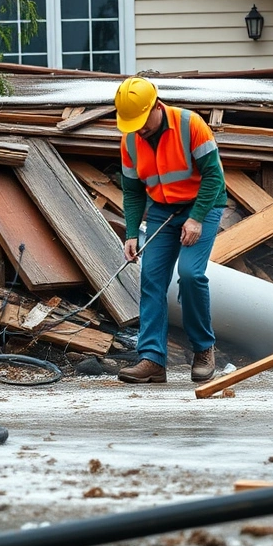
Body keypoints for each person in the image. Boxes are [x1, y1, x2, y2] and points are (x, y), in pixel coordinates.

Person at [114, 76, 228, 384]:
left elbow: (214, 178)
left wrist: (197, 218)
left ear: (156, 106)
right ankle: (152, 359)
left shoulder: (191, 125)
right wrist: (131, 232)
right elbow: (133, 191)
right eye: (132, 123)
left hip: (203, 204)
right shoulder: (130, 141)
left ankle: (204, 349)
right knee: (151, 278)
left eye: (142, 120)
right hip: (163, 210)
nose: (139, 128)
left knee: (191, 274)